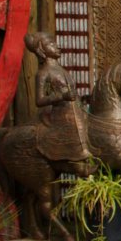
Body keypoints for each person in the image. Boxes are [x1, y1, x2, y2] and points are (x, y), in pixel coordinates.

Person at [25, 32, 91, 175]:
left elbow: (72, 95)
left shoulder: (61, 70)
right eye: (51, 44)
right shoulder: (43, 73)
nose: (57, 46)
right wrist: (62, 96)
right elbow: (40, 100)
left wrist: (83, 99)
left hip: (75, 110)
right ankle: (80, 163)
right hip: (63, 116)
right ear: (42, 50)